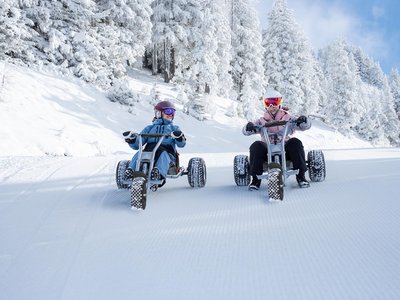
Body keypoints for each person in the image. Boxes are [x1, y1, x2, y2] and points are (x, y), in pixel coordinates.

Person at [242, 89, 311, 190]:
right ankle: (256, 180)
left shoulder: (288, 118)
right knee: (256, 145)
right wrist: (249, 127)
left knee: (295, 142)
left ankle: (301, 177)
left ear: (279, 103)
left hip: (286, 148)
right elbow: (246, 132)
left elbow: (305, 126)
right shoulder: (262, 121)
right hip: (267, 149)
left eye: (275, 102)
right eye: (268, 103)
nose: (272, 106)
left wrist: (303, 121)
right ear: (265, 105)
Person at [124, 101, 186, 185]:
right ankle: (130, 170)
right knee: (140, 153)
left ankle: (158, 172)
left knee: (163, 154)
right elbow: (139, 143)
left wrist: (179, 138)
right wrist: (132, 140)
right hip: (149, 152)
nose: (171, 114)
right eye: (168, 111)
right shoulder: (149, 128)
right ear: (158, 113)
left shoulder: (173, 128)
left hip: (167, 154)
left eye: (173, 112)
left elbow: (181, 144)